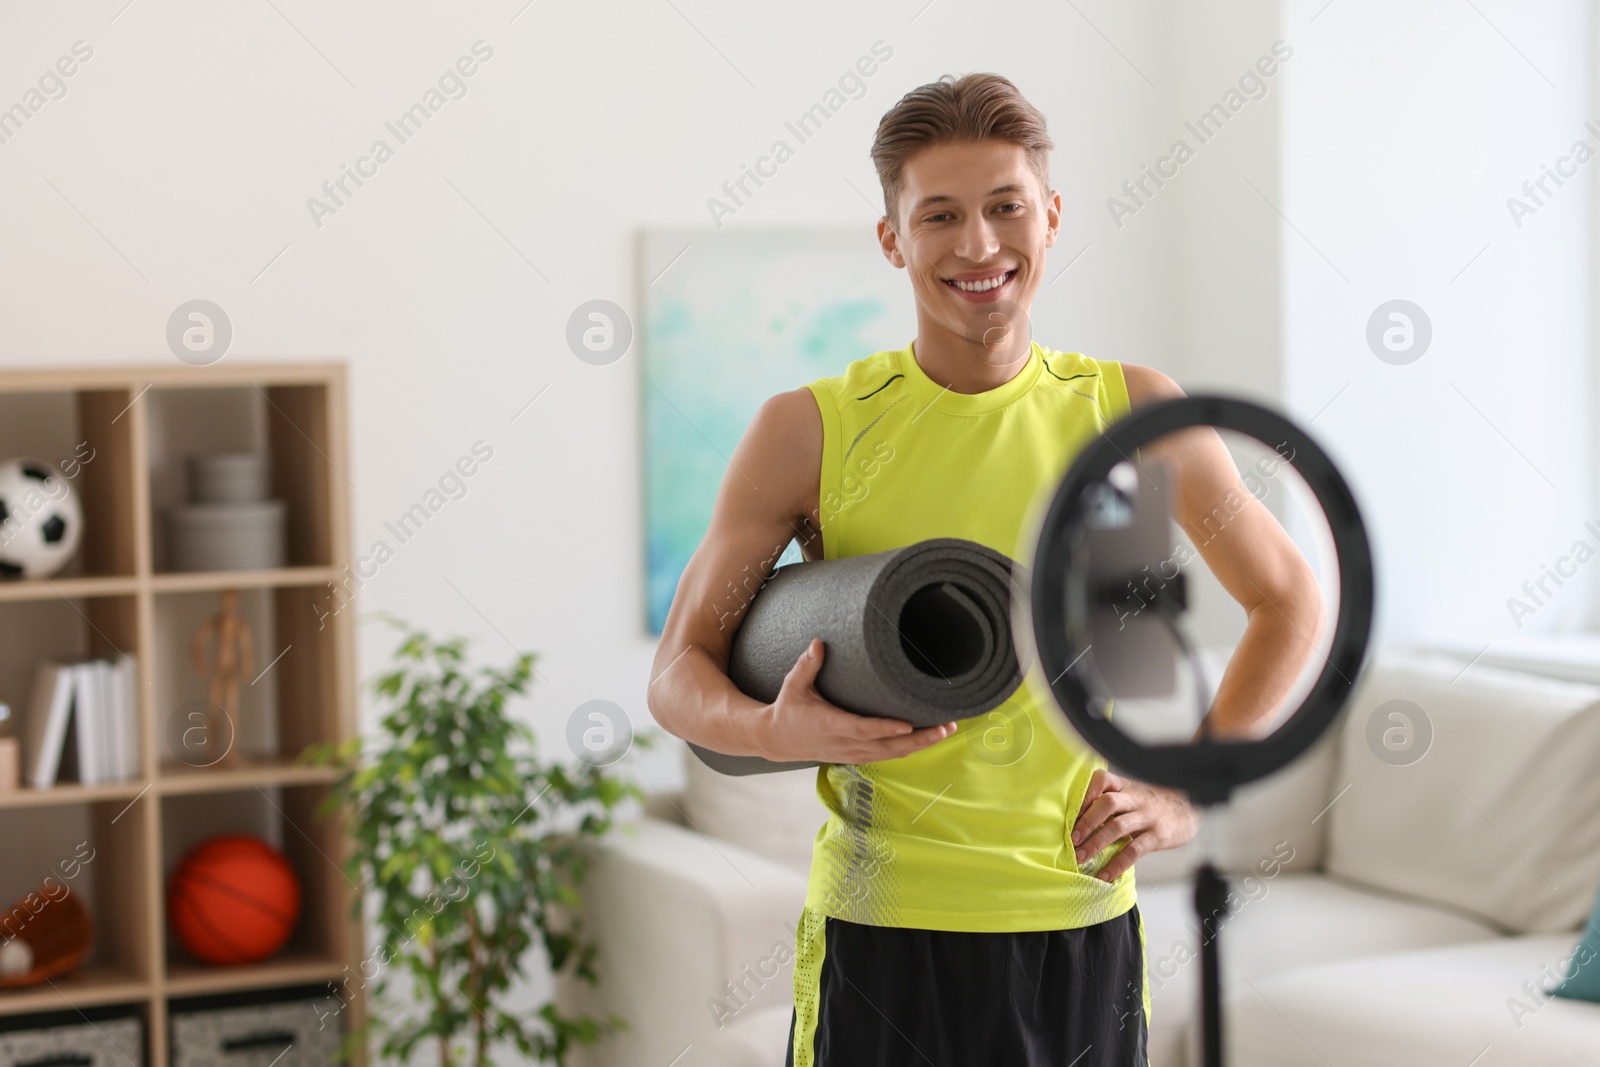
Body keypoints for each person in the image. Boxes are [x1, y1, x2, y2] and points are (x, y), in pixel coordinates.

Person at [647, 72, 1322, 1067]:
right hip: (881, 931)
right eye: (940, 215)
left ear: (1049, 218)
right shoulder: (809, 428)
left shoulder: (1136, 411)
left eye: (1006, 207)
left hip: (1079, 917)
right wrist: (769, 728)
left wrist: (1183, 791)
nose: (977, 244)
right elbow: (677, 674)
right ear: (893, 240)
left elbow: (1290, 596)